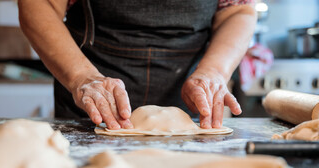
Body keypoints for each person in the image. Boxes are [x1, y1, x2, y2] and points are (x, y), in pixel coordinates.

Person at [18, 0, 257, 130]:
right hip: (92, 92)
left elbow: (238, 10)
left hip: (188, 90)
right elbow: (39, 5)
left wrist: (212, 72)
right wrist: (81, 76)